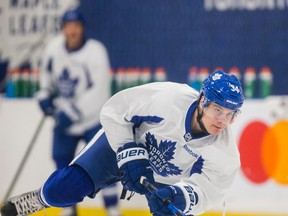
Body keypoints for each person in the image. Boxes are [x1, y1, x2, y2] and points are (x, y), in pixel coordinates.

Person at [1, 70, 245, 216]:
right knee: (64, 189)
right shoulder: (167, 99)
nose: (223, 120)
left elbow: (208, 191)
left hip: (162, 179)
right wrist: (129, 152)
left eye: (230, 113)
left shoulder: (225, 153)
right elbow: (114, 111)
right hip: (122, 145)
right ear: (202, 101)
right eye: (217, 109)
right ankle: (39, 199)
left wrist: (179, 196)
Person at [34, 8, 121, 216]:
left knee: (103, 165)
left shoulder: (96, 51)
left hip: (92, 120)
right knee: (61, 162)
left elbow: (100, 89)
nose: (72, 30)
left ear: (82, 28)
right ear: (63, 28)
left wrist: (72, 112)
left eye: (77, 26)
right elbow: (46, 77)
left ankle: (112, 209)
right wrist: (44, 95)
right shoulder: (53, 48)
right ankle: (68, 209)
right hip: (64, 121)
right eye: (68, 26)